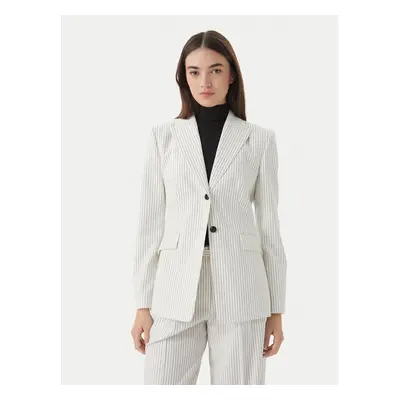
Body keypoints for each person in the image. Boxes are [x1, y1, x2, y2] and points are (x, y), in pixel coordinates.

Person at [131, 30, 287, 385]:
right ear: (184, 78)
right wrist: (142, 304)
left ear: (231, 75)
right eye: (194, 72)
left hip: (242, 286)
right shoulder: (163, 137)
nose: (205, 81)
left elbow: (270, 230)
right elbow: (148, 226)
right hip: (174, 286)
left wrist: (276, 310)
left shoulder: (259, 140)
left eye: (215, 70)